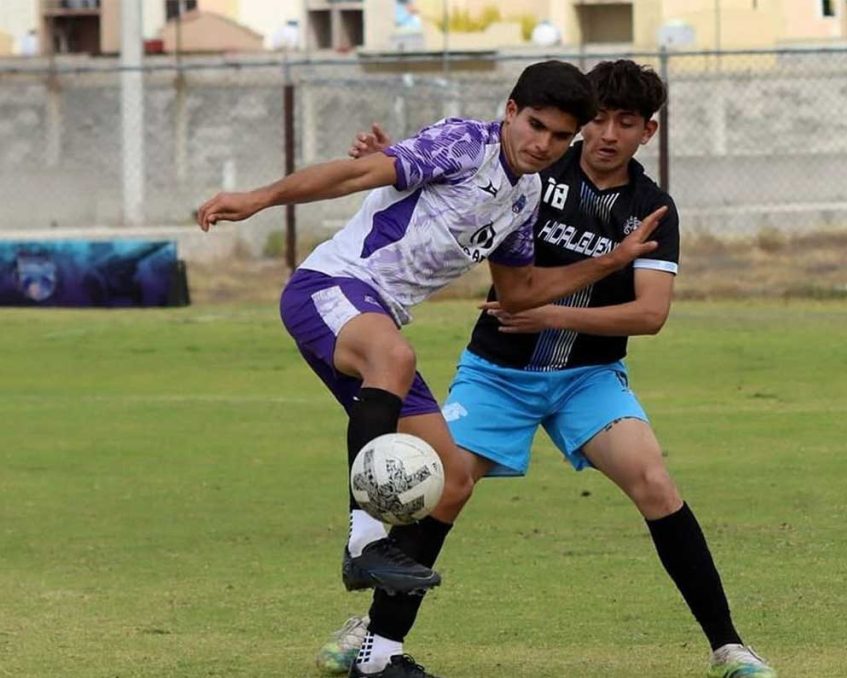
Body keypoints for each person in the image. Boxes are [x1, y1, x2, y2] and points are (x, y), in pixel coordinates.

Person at [196, 60, 667, 678]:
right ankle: (365, 540)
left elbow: (521, 292)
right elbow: (361, 171)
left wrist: (611, 262)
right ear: (509, 111)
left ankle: (378, 654)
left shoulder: (524, 198)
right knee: (394, 356)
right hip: (330, 287)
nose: (542, 144)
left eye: (558, 136)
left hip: (378, 319)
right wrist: (258, 198)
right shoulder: (464, 143)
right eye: (534, 125)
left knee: (452, 477)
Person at [335, 60, 777, 678]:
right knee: (439, 489)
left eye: (626, 123)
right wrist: (401, 172)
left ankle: (728, 648)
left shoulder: (651, 209)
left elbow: (649, 315)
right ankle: (374, 640)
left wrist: (550, 317)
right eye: (596, 119)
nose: (607, 134)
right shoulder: (533, 170)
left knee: (654, 483)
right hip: (497, 373)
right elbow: (455, 201)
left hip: (588, 381)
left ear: (647, 133)